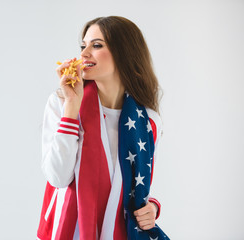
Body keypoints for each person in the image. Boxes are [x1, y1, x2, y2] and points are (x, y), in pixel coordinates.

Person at [37, 16, 169, 240]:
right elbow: (57, 177)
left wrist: (152, 207)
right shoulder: (61, 102)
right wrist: (71, 106)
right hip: (70, 232)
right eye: (83, 45)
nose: (84, 53)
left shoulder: (148, 121)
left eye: (96, 45)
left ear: (124, 53)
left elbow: (133, 186)